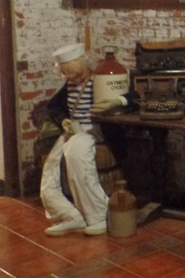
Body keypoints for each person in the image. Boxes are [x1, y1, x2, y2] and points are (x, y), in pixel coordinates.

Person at [40, 43, 132, 236]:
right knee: (50, 169)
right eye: (68, 74)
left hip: (95, 130)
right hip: (74, 130)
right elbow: (53, 105)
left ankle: (98, 215)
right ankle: (68, 215)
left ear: (83, 65)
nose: (73, 78)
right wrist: (63, 120)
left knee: (77, 156)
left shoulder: (99, 80)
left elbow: (132, 96)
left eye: (75, 73)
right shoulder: (70, 85)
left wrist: (117, 101)